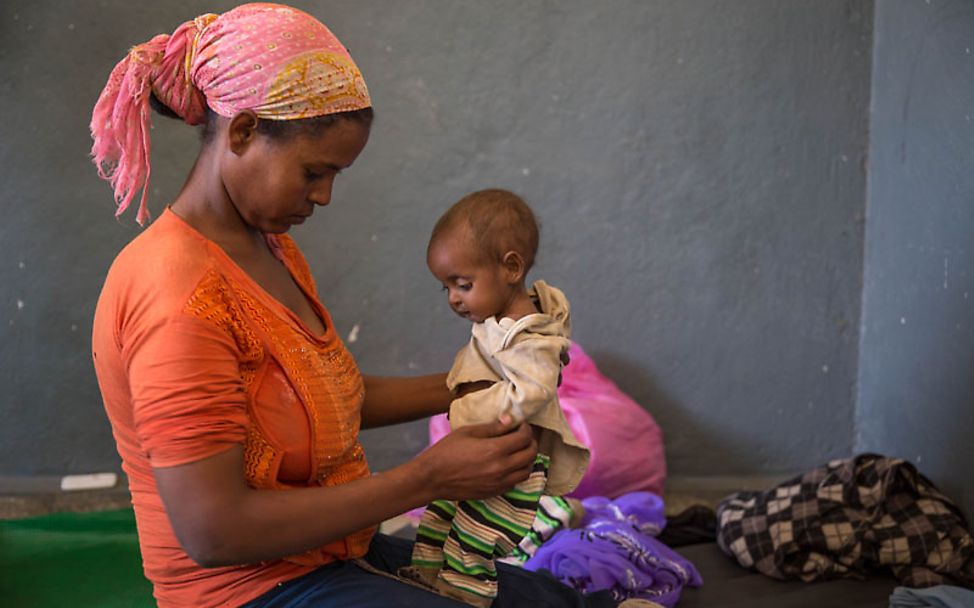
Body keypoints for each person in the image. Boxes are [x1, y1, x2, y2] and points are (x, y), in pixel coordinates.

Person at [88, 4, 614, 607]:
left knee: (555, 602)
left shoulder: (271, 249)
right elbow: (213, 530)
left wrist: (489, 382)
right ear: (242, 131)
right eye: (314, 171)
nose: (325, 195)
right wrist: (426, 479)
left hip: (336, 550)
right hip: (248, 591)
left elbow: (334, 400)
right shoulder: (177, 295)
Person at [401, 190, 591, 606]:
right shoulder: (497, 320)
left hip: (508, 461)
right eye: (446, 287)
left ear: (511, 267)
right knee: (440, 514)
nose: (453, 298)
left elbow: (532, 392)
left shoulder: (530, 337)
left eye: (463, 284)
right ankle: (429, 576)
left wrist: (466, 406)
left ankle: (466, 595)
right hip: (477, 450)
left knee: (474, 537)